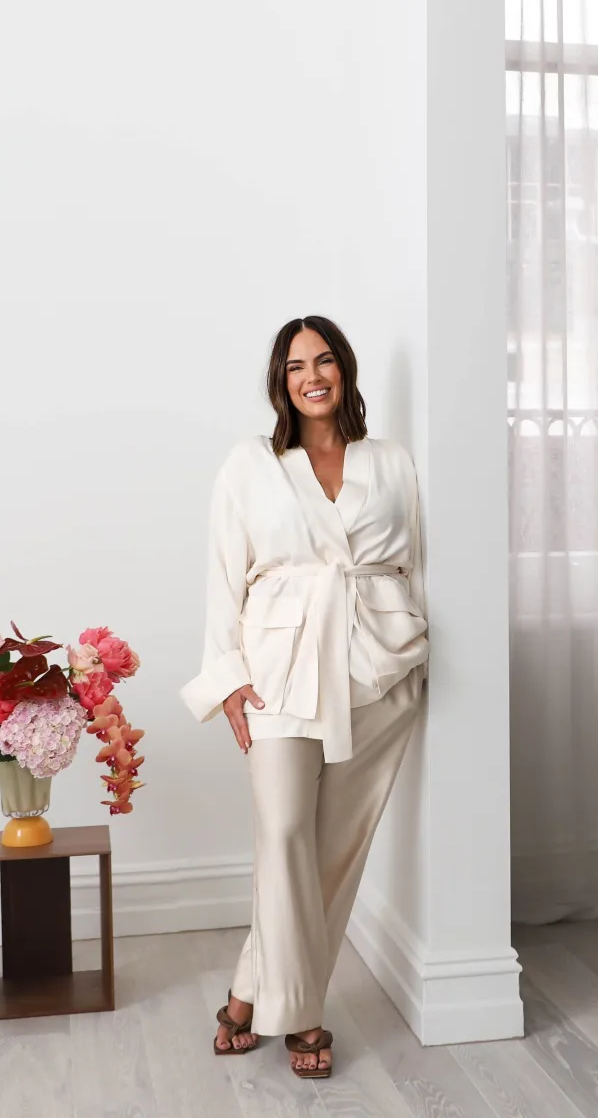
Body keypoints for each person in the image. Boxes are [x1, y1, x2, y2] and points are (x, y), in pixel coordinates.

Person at [179, 315, 429, 1081]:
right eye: (295, 366)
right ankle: (307, 1012)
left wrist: (416, 642)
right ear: (280, 383)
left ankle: (251, 994)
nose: (312, 374)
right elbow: (224, 577)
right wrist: (227, 680)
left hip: (377, 670)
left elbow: (416, 560)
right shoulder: (251, 464)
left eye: (324, 360)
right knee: (285, 831)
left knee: (330, 852)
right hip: (280, 669)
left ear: (346, 371)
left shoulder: (391, 462)